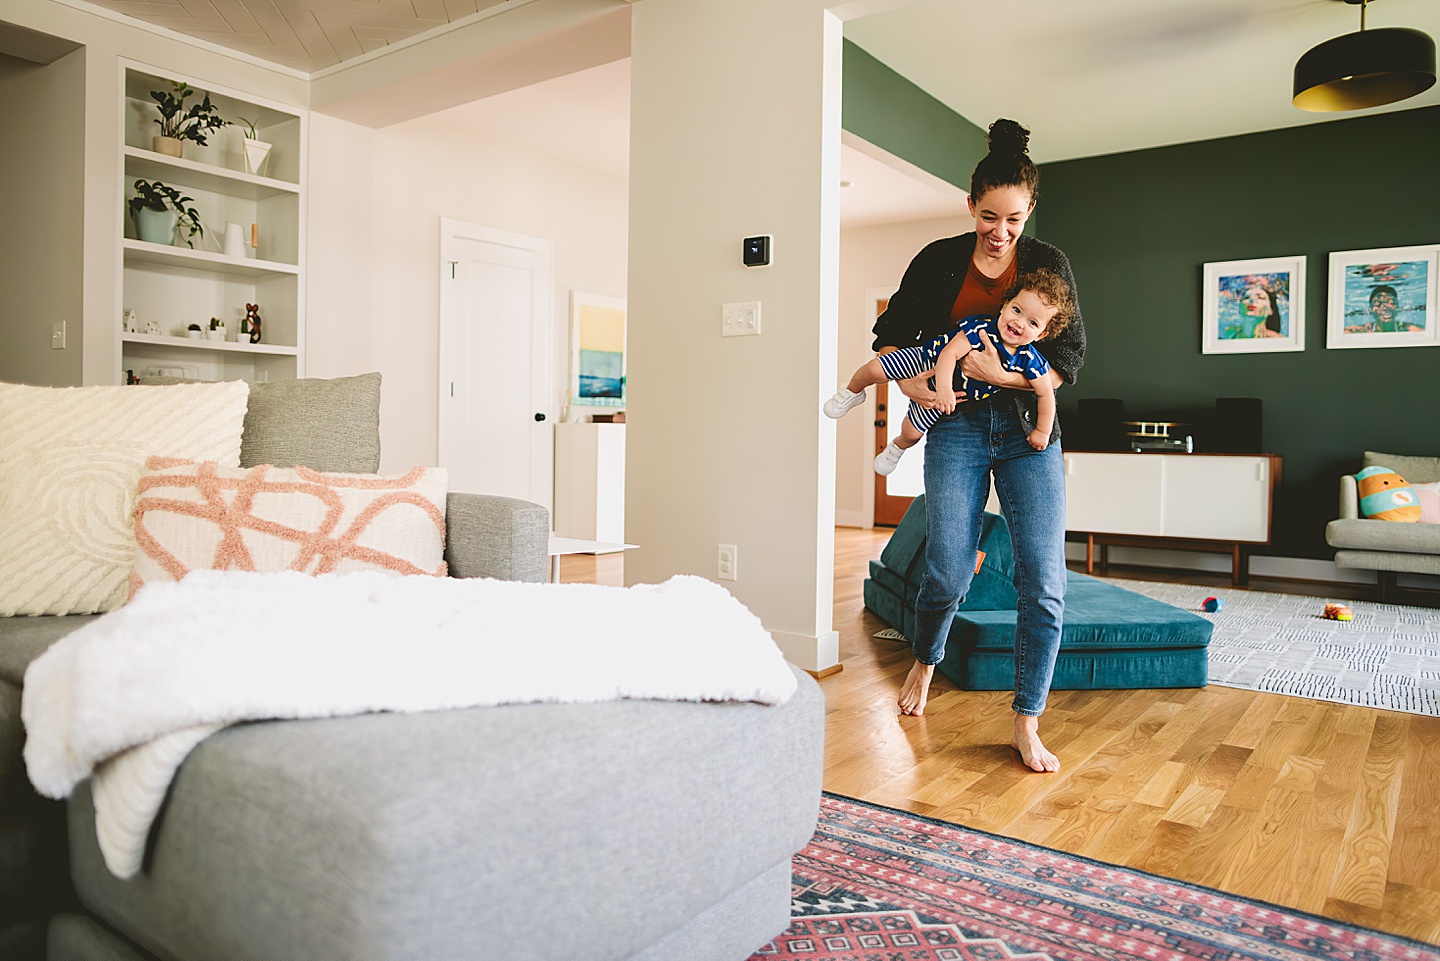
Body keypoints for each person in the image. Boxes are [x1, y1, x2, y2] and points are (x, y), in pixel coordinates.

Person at [867, 119, 1085, 774]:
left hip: (1027, 433)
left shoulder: (1049, 267)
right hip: (957, 426)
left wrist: (1002, 374)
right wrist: (921, 385)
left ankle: (1027, 719)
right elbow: (889, 336)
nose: (1000, 231)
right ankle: (925, 661)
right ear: (971, 207)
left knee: (1044, 579)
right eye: (989, 216)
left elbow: (1069, 359)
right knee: (946, 569)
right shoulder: (938, 259)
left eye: (1013, 218)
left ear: (1030, 211)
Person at [825, 269, 1075, 475]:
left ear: (1042, 334)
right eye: (1017, 310)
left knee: (912, 432)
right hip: (925, 360)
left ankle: (897, 447)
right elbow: (949, 354)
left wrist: (1042, 431)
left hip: (948, 394)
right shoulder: (982, 329)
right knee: (874, 369)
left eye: (1032, 323)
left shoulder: (1030, 360)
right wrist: (943, 388)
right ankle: (852, 392)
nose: (1019, 323)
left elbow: (1046, 393)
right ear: (1005, 305)